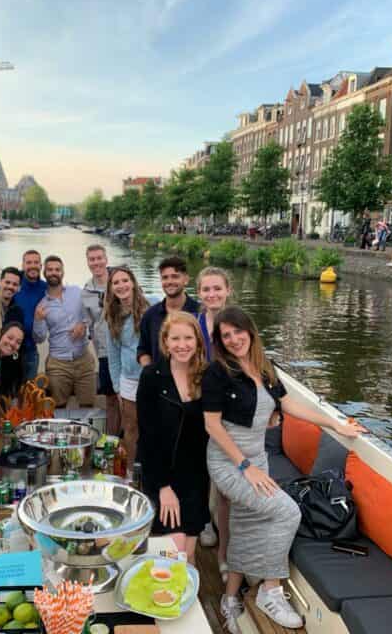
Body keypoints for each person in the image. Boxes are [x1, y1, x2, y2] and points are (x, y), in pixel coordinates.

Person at [202, 306, 365, 633]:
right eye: (226, 335)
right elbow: (212, 425)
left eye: (238, 331)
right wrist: (245, 466)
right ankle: (270, 590)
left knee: (246, 525)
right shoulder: (217, 372)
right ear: (219, 341)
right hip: (228, 461)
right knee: (287, 512)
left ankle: (230, 597)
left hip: (257, 458)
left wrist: (336, 424)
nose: (234, 340)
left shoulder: (264, 367)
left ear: (250, 330)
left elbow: (289, 404)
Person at [136, 312, 209, 564]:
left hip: (196, 477)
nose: (182, 345)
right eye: (175, 338)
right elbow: (147, 437)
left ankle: (184, 598)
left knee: (189, 552)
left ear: (198, 342)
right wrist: (163, 487)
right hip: (162, 473)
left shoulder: (207, 376)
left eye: (188, 338)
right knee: (174, 551)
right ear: (165, 342)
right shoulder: (152, 377)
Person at [195, 267, 233, 574]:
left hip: (227, 405)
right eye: (206, 289)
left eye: (217, 289)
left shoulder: (237, 323)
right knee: (201, 466)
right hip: (198, 402)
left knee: (221, 468)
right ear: (199, 294)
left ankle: (224, 538)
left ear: (228, 290)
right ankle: (205, 521)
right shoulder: (195, 325)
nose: (212, 294)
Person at [33, 255, 95, 408]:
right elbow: (39, 338)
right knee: (58, 406)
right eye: (50, 270)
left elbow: (93, 313)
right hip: (58, 364)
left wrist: (83, 324)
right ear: (44, 273)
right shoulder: (42, 304)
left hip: (84, 360)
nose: (54, 272)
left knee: (88, 405)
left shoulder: (77, 292)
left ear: (63, 272)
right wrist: (38, 320)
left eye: (57, 269)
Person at [104, 266, 149, 466]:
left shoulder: (152, 306)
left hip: (151, 377)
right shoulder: (112, 317)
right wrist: (117, 387)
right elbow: (113, 356)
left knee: (153, 425)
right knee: (130, 427)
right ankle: (131, 471)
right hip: (129, 379)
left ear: (133, 283)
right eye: (116, 283)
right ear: (111, 289)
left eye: (125, 280)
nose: (121, 286)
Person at [82, 244, 120, 434]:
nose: (96, 262)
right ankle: (112, 437)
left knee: (129, 398)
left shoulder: (119, 282)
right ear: (88, 262)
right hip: (104, 352)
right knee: (111, 397)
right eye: (92, 259)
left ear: (106, 259)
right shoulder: (86, 291)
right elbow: (88, 322)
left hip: (125, 349)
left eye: (99, 258)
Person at [137, 256, 199, 366]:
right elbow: (143, 349)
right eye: (165, 277)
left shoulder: (200, 313)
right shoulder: (150, 315)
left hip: (194, 379)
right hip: (159, 381)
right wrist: (149, 372)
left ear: (186, 279)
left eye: (175, 276)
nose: (169, 281)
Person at [13, 250, 47, 380]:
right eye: (29, 262)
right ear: (22, 265)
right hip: (9, 347)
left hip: (30, 350)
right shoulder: (14, 284)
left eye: (36, 262)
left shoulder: (45, 288)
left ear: (40, 266)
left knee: (28, 393)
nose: (32, 265)